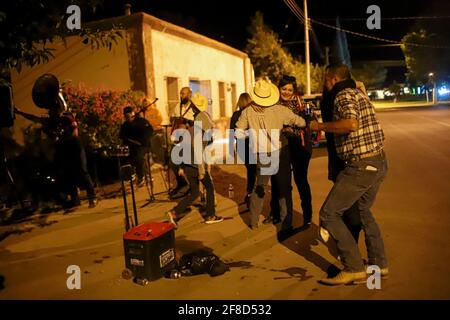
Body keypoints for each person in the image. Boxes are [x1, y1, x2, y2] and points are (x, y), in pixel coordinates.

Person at [310, 63, 388, 285]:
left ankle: (353, 267)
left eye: (326, 81)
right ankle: (378, 265)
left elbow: (351, 124)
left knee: (329, 214)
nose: (326, 85)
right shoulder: (357, 92)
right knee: (363, 211)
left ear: (332, 78)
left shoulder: (342, 94)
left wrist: (319, 127)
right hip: (378, 160)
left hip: (361, 164)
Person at [15, 73, 97, 209]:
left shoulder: (67, 118)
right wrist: (19, 112)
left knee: (82, 171)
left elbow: (74, 132)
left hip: (74, 146)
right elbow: (34, 118)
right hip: (63, 148)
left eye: (54, 111)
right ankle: (75, 199)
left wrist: (61, 135)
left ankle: (92, 197)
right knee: (67, 173)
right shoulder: (50, 120)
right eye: (51, 111)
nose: (52, 113)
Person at [235, 79, 306, 234]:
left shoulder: (247, 111)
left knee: (259, 186)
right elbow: (300, 122)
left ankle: (253, 221)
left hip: (261, 153)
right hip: (280, 151)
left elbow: (238, 133)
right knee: (283, 186)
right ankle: (285, 222)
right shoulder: (279, 110)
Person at [166, 93, 223, 228]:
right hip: (197, 165)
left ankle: (174, 213)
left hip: (188, 164)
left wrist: (181, 166)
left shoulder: (191, 128)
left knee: (194, 192)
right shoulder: (200, 130)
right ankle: (210, 215)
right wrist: (202, 171)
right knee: (209, 187)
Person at [264, 75, 314, 228]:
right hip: (279, 145)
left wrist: (295, 125)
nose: (286, 92)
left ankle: (307, 216)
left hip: (299, 145)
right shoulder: (272, 103)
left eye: (289, 89)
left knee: (301, 180)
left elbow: (309, 122)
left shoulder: (300, 103)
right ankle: (276, 213)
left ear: (294, 90)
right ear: (278, 89)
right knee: (278, 181)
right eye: (283, 89)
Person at [229, 93, 257, 207]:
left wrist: (232, 150)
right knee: (253, 171)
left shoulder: (235, 115)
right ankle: (251, 194)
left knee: (251, 170)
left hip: (240, 146)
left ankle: (250, 193)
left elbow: (231, 133)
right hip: (252, 145)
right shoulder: (252, 113)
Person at [167, 87, 193, 198]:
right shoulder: (178, 106)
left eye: (183, 93)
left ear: (189, 94)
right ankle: (182, 183)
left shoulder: (194, 107)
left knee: (187, 164)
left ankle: (192, 188)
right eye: (180, 93)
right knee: (173, 161)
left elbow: (197, 122)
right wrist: (173, 119)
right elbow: (171, 119)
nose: (181, 95)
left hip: (188, 138)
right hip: (177, 137)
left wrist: (187, 124)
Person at [119, 106, 154, 187]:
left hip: (143, 145)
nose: (128, 118)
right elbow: (123, 137)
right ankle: (130, 176)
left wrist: (142, 140)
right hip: (131, 146)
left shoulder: (141, 121)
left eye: (129, 116)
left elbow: (150, 131)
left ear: (132, 114)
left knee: (138, 156)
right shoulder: (125, 125)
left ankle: (141, 176)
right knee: (124, 156)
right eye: (126, 116)